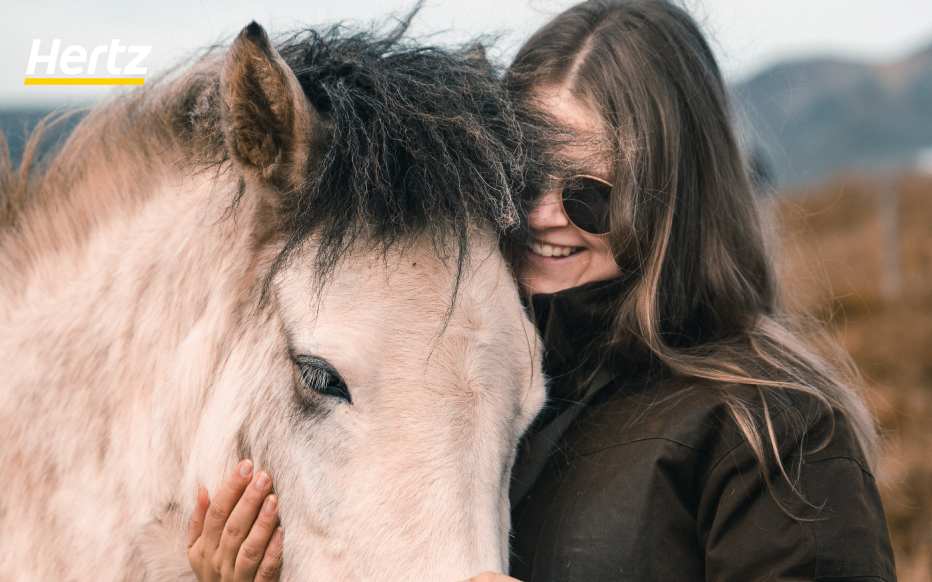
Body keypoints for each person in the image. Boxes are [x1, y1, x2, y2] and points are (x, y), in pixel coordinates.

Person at [187, 1, 897, 581]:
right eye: (523, 176)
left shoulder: (775, 432)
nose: (543, 214)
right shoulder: (466, 386)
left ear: (676, 201)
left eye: (590, 194)